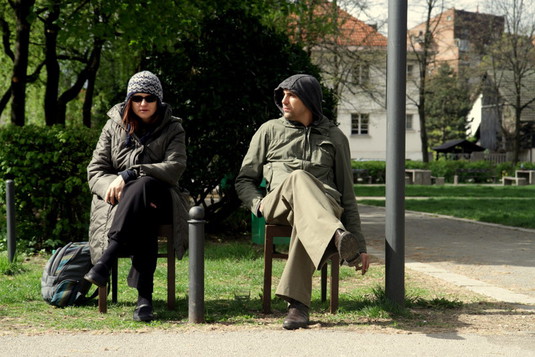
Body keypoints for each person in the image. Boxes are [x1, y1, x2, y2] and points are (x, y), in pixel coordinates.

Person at [235, 74, 369, 330]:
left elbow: (347, 194)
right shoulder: (269, 131)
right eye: (282, 94)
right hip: (278, 204)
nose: (284, 100)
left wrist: (360, 245)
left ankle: (298, 306)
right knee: (298, 177)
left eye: (291, 95)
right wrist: (258, 205)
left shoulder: (336, 137)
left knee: (306, 218)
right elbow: (244, 180)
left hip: (324, 205)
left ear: (308, 100)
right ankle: (336, 235)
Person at [84, 71, 189, 322]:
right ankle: (144, 300)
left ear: (159, 101)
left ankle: (106, 261)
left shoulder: (173, 127)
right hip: (120, 202)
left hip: (162, 197)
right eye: (137, 97)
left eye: (150, 98)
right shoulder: (113, 125)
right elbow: (96, 170)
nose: (143, 103)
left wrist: (132, 174)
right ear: (129, 100)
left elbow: (175, 167)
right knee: (143, 215)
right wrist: (115, 184)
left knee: (142, 185)